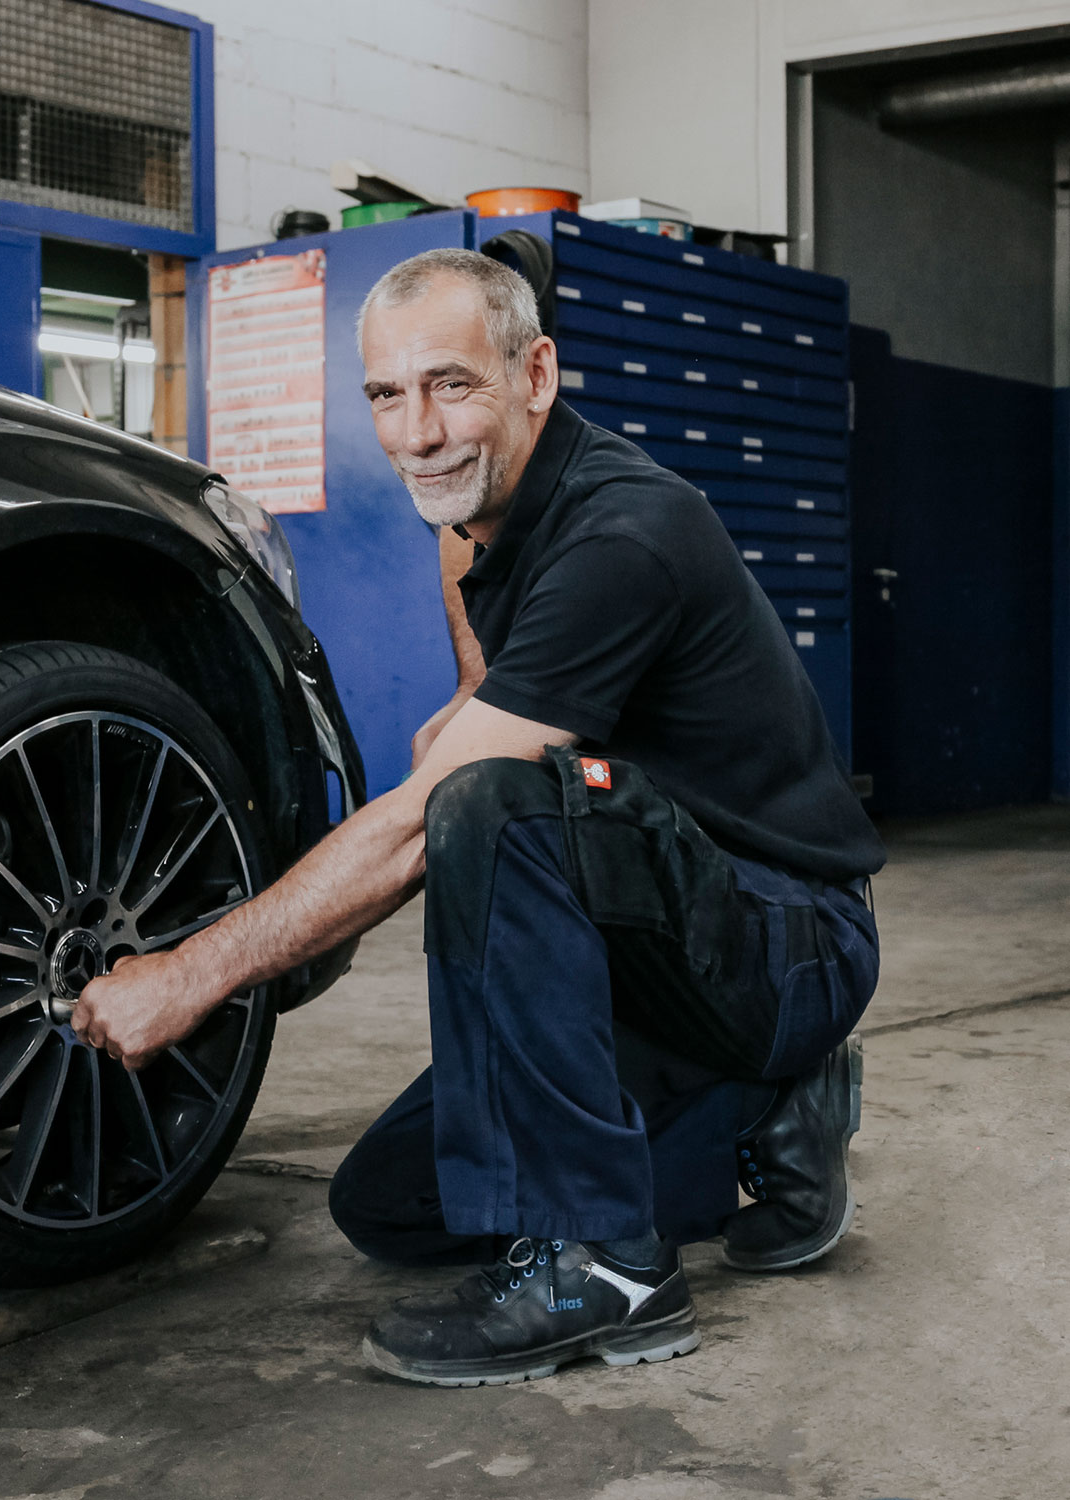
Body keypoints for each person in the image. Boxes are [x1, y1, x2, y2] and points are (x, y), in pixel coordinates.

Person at [69, 247, 885, 1388]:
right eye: (387, 396)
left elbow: (429, 822)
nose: (416, 433)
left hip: (786, 935)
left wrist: (193, 973)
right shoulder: (481, 495)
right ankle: (766, 1112)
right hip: (663, 934)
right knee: (395, 1203)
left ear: (536, 373)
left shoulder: (629, 532)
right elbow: (468, 570)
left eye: (451, 384)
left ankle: (611, 1270)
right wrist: (469, 701)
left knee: (483, 802)